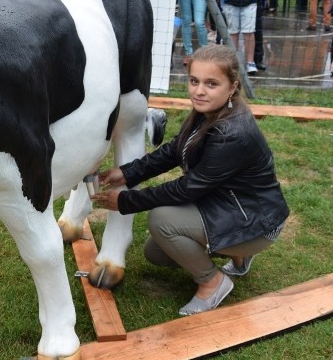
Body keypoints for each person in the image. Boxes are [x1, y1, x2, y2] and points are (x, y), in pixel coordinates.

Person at [90, 45, 289, 316]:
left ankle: (212, 282)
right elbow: (174, 150)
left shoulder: (232, 133)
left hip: (257, 222)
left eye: (211, 83)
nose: (199, 91)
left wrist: (125, 200)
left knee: (162, 221)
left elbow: (187, 189)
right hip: (230, 206)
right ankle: (238, 254)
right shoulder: (208, 111)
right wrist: (128, 172)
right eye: (194, 81)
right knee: (156, 252)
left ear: (232, 87)